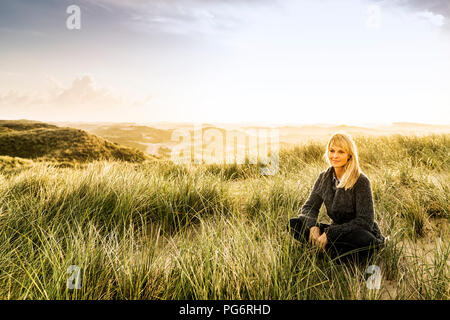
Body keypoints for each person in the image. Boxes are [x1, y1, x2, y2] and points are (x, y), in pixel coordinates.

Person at [288, 132, 386, 260]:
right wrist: (312, 227)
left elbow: (365, 221)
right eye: (332, 151)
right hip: (336, 231)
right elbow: (309, 207)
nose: (334, 156)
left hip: (357, 233)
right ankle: (333, 252)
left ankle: (330, 252)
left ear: (349, 155)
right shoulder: (323, 178)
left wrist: (329, 234)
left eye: (341, 152)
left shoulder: (361, 181)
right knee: (294, 224)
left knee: (366, 241)